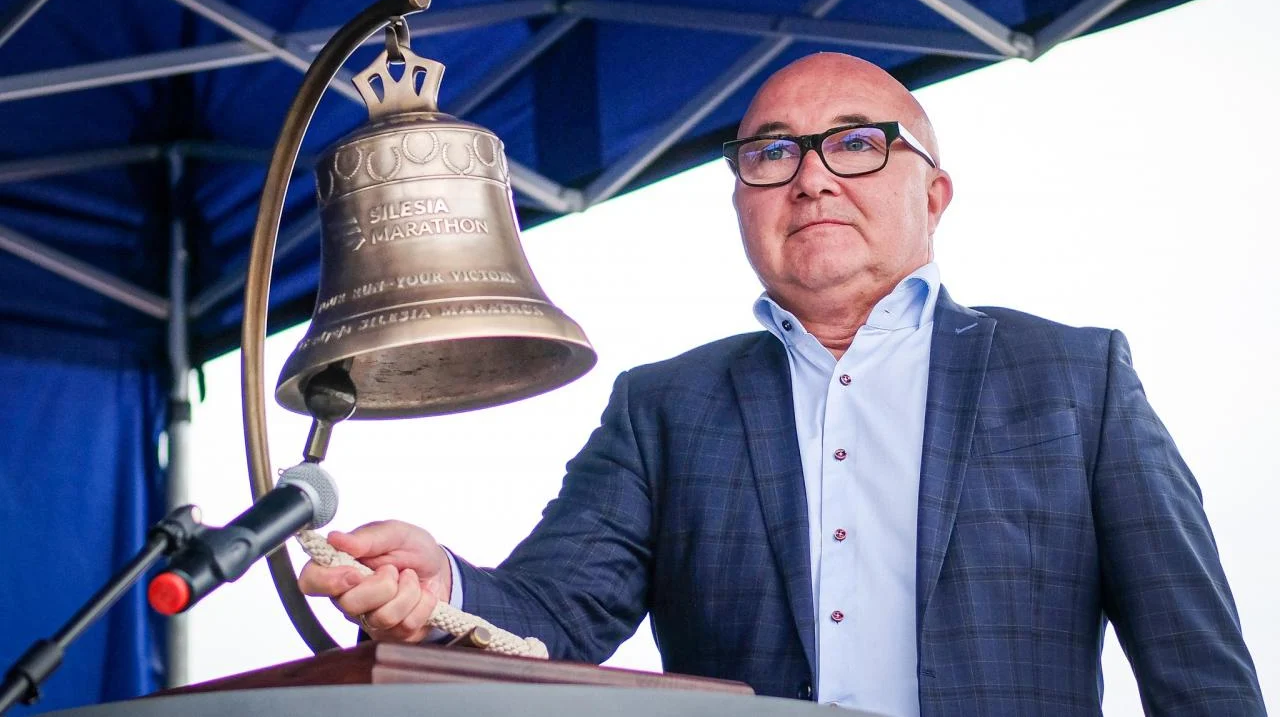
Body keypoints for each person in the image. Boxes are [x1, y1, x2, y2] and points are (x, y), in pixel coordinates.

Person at [299, 53, 1264, 715]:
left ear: (934, 195)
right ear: (740, 203)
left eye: (857, 142)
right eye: (771, 152)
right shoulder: (664, 408)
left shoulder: (1077, 380)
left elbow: (1199, 674)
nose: (811, 178)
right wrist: (443, 585)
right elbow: (553, 617)